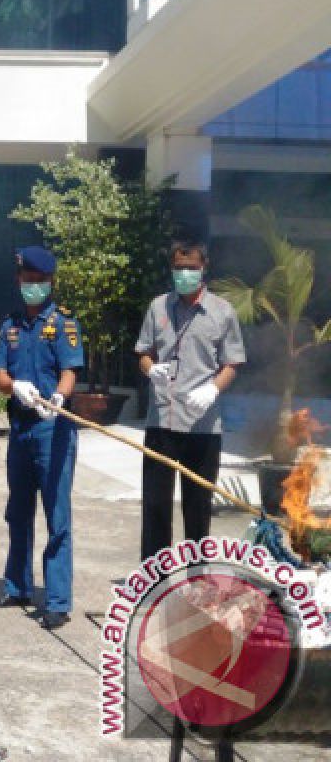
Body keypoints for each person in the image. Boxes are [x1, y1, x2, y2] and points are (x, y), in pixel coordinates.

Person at [0, 246, 84, 631]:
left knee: (56, 515)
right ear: (19, 280)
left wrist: (59, 397)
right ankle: (18, 586)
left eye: (39, 281)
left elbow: (70, 371)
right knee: (18, 511)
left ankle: (58, 600)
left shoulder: (63, 323)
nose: (33, 286)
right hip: (21, 427)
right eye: (27, 280)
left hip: (52, 429)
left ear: (49, 282)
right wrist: (16, 387)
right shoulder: (10, 325)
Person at [136, 239, 245, 559]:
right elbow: (143, 353)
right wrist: (151, 370)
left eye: (191, 268)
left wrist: (213, 389)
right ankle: (154, 578)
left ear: (204, 268)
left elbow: (232, 364)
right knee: (155, 505)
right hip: (162, 421)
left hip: (202, 424)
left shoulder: (223, 312)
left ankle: (197, 579)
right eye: (179, 268)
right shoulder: (158, 307)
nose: (184, 274)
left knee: (198, 507)